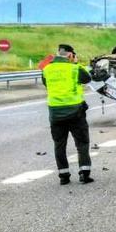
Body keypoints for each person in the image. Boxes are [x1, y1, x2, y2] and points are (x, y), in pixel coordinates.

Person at [42, 44, 93, 184]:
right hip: (75, 112)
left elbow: (46, 84)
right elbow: (87, 78)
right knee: (82, 143)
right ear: (70, 55)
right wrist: (76, 63)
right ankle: (84, 173)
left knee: (59, 145)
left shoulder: (47, 69)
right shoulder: (75, 68)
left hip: (55, 113)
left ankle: (63, 176)